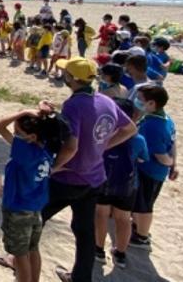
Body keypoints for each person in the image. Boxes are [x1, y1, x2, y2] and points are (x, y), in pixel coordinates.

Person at [47, 57, 138, 282]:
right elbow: (130, 128)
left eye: (66, 72)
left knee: (34, 218)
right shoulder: (106, 100)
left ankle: (18, 262)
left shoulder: (73, 105)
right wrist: (102, 146)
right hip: (94, 177)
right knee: (85, 232)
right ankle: (81, 277)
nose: (64, 75)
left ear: (72, 78)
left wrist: (53, 167)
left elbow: (71, 146)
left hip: (68, 177)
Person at [0, 110, 54, 282]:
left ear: (32, 137)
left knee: (20, 255)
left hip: (18, 209)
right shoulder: (46, 148)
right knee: (33, 249)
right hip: (36, 208)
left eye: (18, 133)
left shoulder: (24, 151)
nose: (14, 136)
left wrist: (24, 112)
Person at [94, 98, 148, 269]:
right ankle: (120, 254)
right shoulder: (138, 139)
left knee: (101, 215)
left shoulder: (103, 136)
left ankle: (98, 250)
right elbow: (142, 159)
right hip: (128, 186)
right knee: (123, 219)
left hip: (103, 181)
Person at [130, 84, 178, 251]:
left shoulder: (153, 126)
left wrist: (170, 163)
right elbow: (173, 144)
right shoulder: (165, 119)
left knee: (144, 206)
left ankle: (141, 237)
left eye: (141, 99)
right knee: (141, 203)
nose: (137, 101)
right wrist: (174, 165)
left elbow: (162, 155)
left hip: (150, 172)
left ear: (152, 103)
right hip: (153, 171)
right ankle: (137, 227)